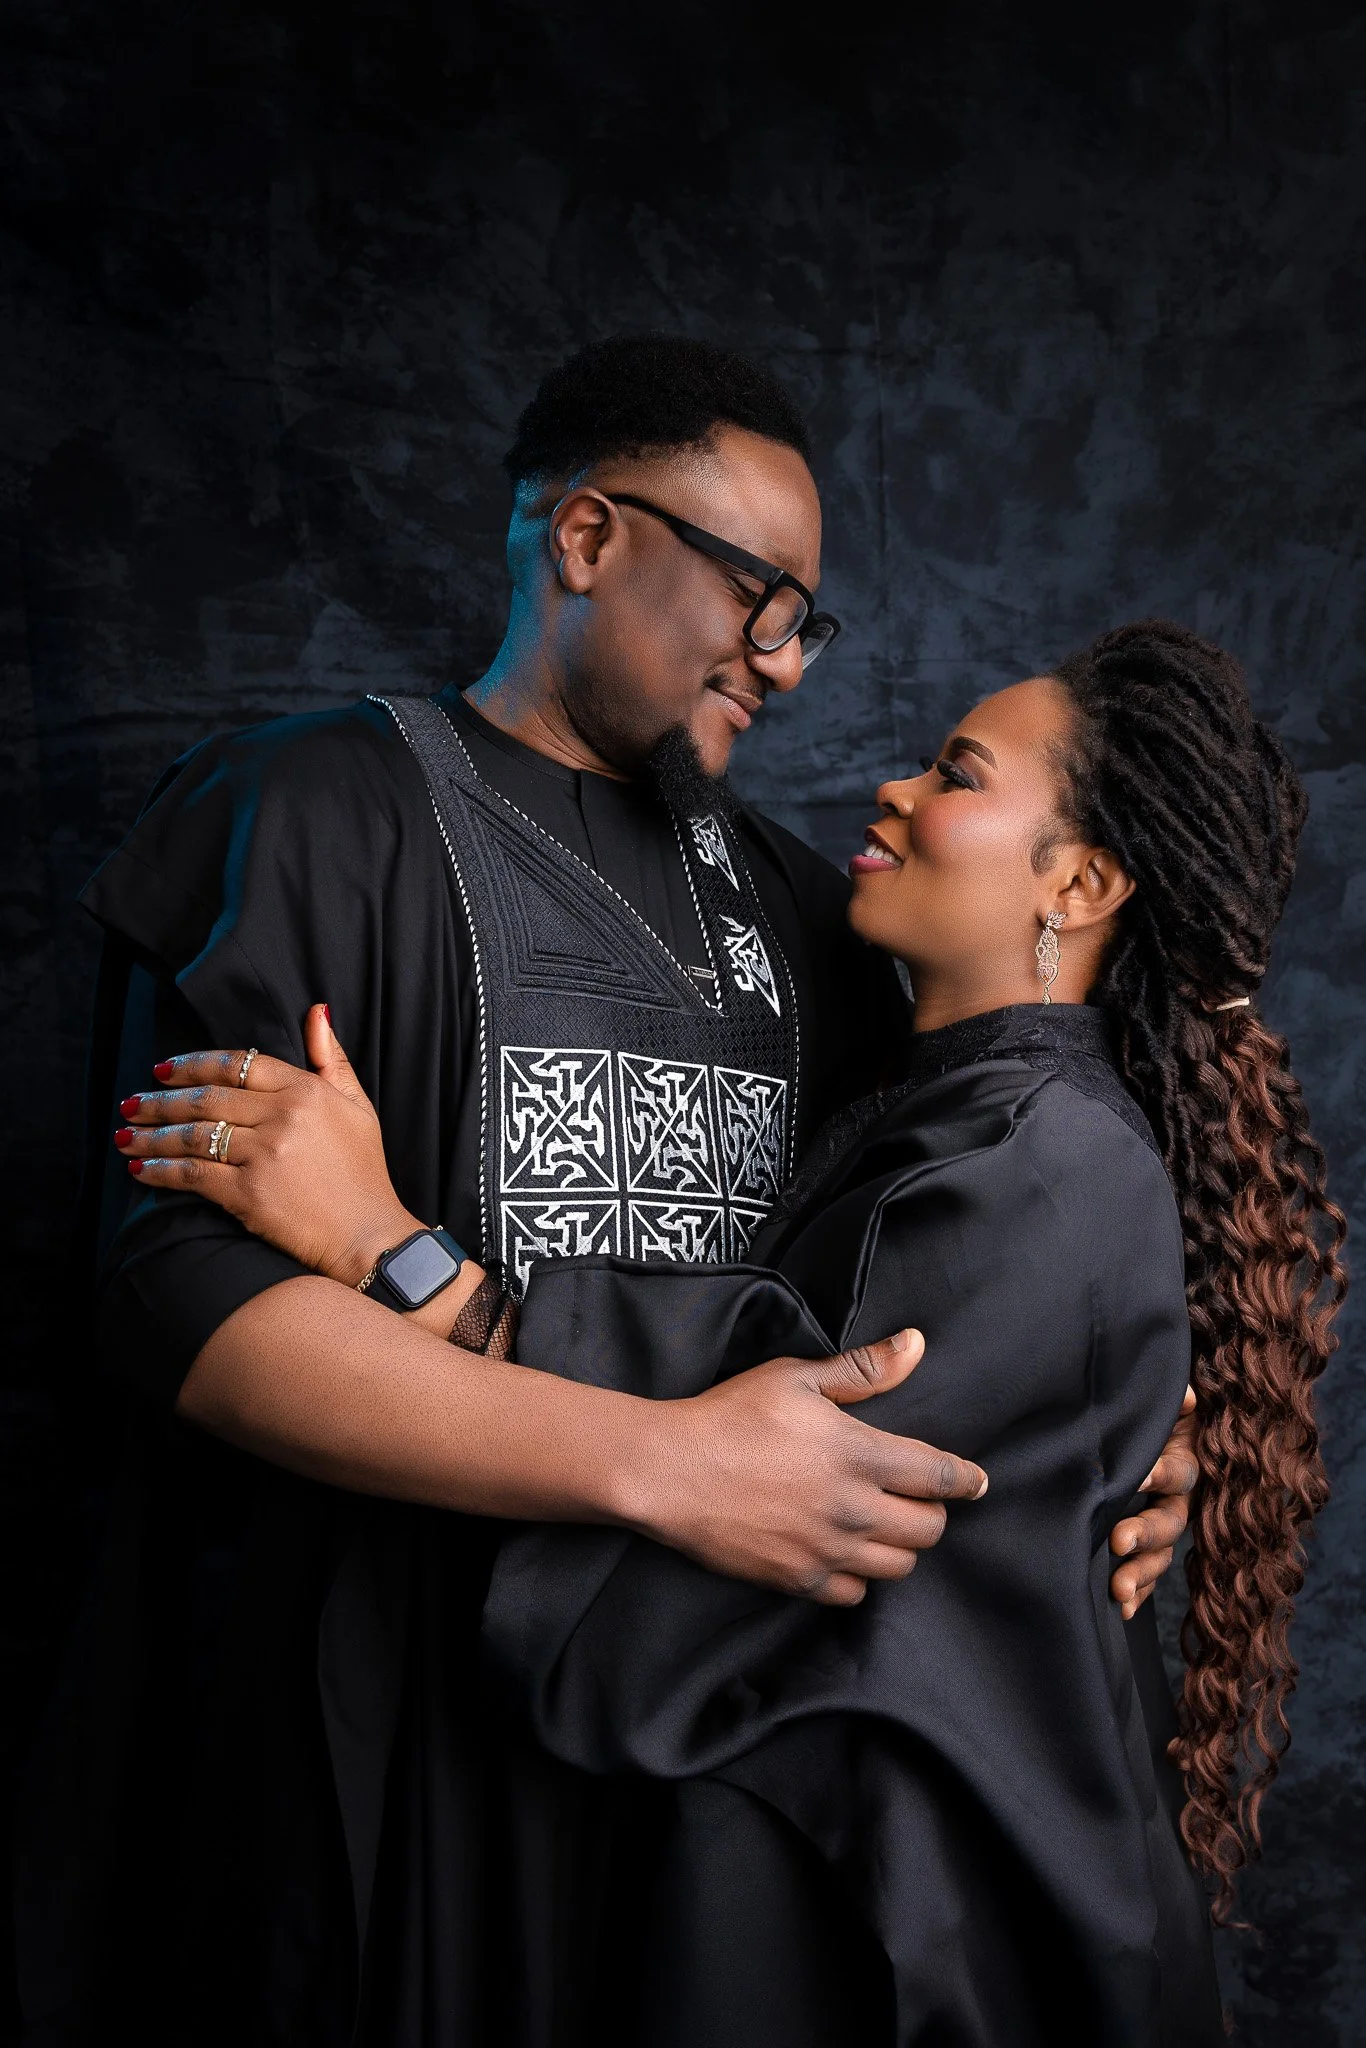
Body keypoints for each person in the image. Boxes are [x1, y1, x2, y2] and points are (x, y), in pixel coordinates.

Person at [18, 339, 1193, 2047]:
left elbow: (958, 1263)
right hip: (372, 1726)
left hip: (683, 1774)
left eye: (804, 622)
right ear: (584, 537)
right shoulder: (309, 811)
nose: (779, 661)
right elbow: (179, 1307)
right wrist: (658, 1464)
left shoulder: (811, 918)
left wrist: (1125, 1432)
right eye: (755, 597)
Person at [118, 621, 1345, 2046]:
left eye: (956, 774)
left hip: (933, 1928)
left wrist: (390, 1250)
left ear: (1075, 883)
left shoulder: (1043, 1156)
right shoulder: (940, 1096)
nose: (892, 788)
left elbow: (788, 1449)